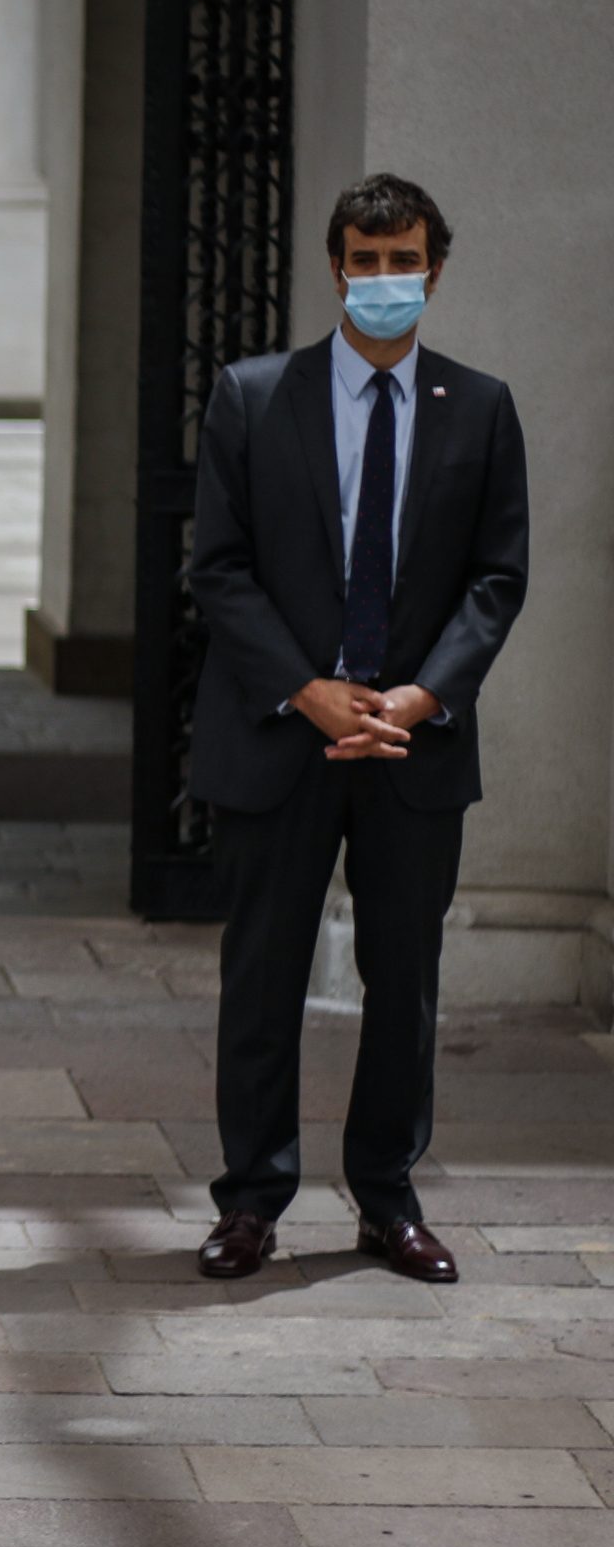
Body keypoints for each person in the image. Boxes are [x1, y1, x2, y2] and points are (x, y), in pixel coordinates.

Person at [187, 175, 528, 1284]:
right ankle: (249, 1203)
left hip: (412, 745)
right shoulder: (251, 397)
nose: (385, 279)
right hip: (282, 736)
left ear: (435, 266)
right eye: (365, 260)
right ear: (335, 267)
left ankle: (387, 1200)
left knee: (404, 984)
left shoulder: (478, 407)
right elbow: (219, 571)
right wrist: (307, 688)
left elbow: (495, 578)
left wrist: (421, 697)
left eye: (405, 259)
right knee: (261, 981)